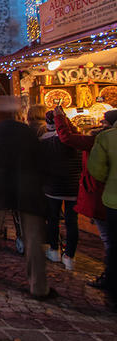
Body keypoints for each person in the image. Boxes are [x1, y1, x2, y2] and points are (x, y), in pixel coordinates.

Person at [0, 96, 54, 300]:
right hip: (29, 188)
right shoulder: (27, 132)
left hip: (3, 186)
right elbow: (42, 160)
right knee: (33, 237)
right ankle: (38, 285)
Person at [54, 107, 115, 286]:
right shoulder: (99, 139)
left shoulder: (100, 140)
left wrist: (59, 119)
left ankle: (110, 276)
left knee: (108, 237)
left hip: (102, 194)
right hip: (104, 194)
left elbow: (69, 139)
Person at [40, 110, 82, 270]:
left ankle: (54, 249)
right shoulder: (77, 140)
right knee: (72, 221)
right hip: (73, 186)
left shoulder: (46, 142)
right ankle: (70, 256)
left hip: (53, 186)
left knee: (53, 218)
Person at [87, 110, 117, 309]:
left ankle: (113, 286)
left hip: (114, 199)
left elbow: (96, 170)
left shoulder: (106, 138)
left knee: (114, 245)